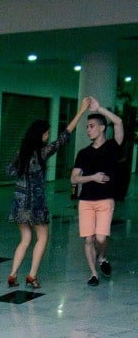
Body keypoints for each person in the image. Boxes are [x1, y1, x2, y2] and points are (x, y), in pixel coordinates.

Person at [6, 98, 90, 289]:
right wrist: (80, 111)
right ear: (41, 135)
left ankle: (12, 274)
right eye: (47, 133)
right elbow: (64, 137)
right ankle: (32, 276)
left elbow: (9, 171)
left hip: (20, 203)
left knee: (25, 239)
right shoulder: (42, 153)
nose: (48, 136)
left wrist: (23, 175)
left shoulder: (21, 152)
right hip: (35, 204)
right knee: (43, 238)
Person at [70, 99, 124, 285]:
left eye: (91, 126)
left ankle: (102, 257)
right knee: (88, 239)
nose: (88, 130)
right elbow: (74, 178)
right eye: (87, 127)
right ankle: (94, 274)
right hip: (86, 201)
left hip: (105, 200)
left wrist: (99, 108)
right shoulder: (83, 153)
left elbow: (118, 122)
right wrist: (92, 177)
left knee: (101, 238)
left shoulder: (112, 146)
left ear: (102, 128)